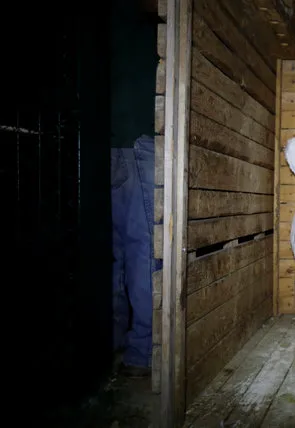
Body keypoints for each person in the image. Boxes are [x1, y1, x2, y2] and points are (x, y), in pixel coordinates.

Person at [110, 0, 160, 377]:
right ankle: (142, 350)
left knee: (118, 251)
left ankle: (117, 342)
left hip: (111, 140)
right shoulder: (146, 26)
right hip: (139, 139)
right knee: (144, 247)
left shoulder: (114, 24)